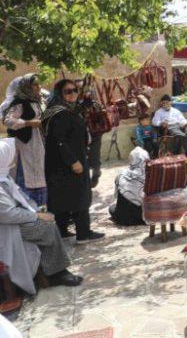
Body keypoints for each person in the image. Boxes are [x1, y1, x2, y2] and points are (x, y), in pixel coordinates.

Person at [0, 139, 83, 293]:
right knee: (46, 228)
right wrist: (36, 215)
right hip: (7, 228)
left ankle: (54, 269)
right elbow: (7, 214)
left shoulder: (4, 176)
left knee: (47, 220)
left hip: (15, 221)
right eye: (11, 153)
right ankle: (57, 273)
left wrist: (36, 210)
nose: (14, 156)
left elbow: (21, 199)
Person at [42, 79, 105, 244]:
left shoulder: (68, 110)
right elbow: (58, 140)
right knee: (80, 197)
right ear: (59, 94)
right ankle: (84, 234)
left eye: (75, 90)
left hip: (66, 162)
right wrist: (73, 162)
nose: (72, 94)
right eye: (67, 91)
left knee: (62, 197)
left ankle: (62, 231)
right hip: (68, 162)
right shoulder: (59, 113)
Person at [2, 74, 47, 206]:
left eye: (39, 84)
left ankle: (40, 211)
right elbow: (8, 121)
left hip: (38, 142)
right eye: (35, 84)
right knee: (25, 176)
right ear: (27, 86)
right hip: (24, 144)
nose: (38, 87)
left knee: (40, 174)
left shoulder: (39, 101)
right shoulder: (19, 102)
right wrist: (28, 123)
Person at [109, 147, 149, 226]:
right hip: (146, 217)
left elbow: (116, 196)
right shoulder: (151, 175)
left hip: (123, 219)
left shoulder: (121, 174)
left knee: (111, 208)